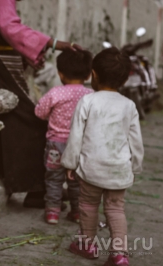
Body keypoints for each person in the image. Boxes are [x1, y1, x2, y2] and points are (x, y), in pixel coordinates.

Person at [0, 0, 83, 207]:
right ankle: (36, 190)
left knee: (21, 116)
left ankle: (36, 186)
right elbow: (11, 28)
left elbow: (8, 31)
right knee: (31, 120)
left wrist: (28, 52)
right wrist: (53, 44)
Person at [62, 47, 144, 266]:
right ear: (126, 79)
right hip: (119, 169)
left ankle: (86, 244)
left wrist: (70, 163)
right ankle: (119, 254)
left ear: (93, 75)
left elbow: (76, 136)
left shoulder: (88, 102)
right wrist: (135, 167)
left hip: (91, 168)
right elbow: (136, 141)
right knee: (116, 208)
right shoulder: (129, 106)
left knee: (88, 204)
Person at [34, 50, 93, 225]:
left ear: (60, 74)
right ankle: (76, 212)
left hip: (55, 145)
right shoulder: (90, 96)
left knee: (53, 179)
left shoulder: (55, 93)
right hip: (79, 146)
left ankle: (52, 212)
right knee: (76, 181)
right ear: (88, 74)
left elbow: (39, 112)